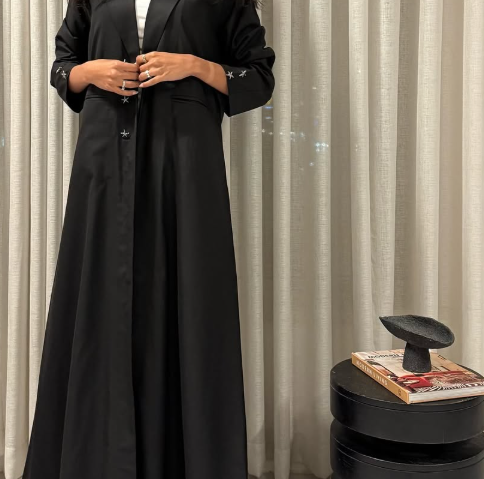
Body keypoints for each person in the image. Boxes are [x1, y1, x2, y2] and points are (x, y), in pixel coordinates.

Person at [21, 0, 276, 477]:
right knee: (98, 302)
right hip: (103, 162)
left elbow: (258, 78)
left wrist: (193, 65)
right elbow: (63, 65)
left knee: (186, 304)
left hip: (184, 167)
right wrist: (90, 73)